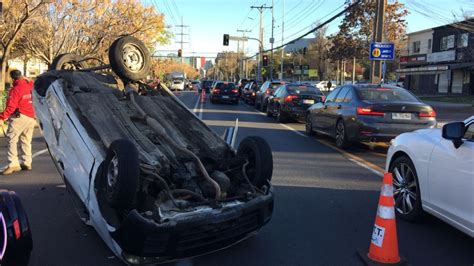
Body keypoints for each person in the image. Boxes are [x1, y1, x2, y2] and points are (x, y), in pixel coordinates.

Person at [0, 70, 36, 175]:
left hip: (19, 117)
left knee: (12, 139)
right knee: (26, 139)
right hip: (31, 116)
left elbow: (11, 107)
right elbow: (32, 84)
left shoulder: (15, 90)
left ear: (12, 79)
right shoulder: (30, 85)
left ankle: (13, 164)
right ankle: (27, 162)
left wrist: (2, 117)